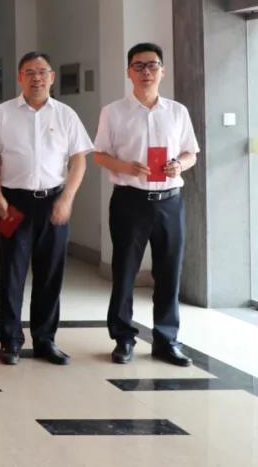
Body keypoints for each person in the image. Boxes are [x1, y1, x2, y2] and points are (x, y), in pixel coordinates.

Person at [0, 51, 92, 366]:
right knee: (12, 273)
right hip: (13, 204)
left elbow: (79, 160)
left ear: (52, 77)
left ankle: (45, 340)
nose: (36, 77)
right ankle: (10, 340)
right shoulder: (3, 113)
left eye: (42, 71)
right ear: (20, 77)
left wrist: (67, 198)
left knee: (50, 274)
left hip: (53, 202)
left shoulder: (66, 115)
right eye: (29, 72)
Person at [93, 42, 199, 367]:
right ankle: (123, 338)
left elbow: (191, 153)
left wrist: (179, 165)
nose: (146, 72)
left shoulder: (177, 111)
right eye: (138, 66)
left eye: (152, 65)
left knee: (169, 272)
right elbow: (99, 154)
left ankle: (166, 340)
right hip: (130, 200)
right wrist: (126, 167)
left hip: (169, 201)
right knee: (125, 271)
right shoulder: (113, 112)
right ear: (129, 72)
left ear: (162, 71)